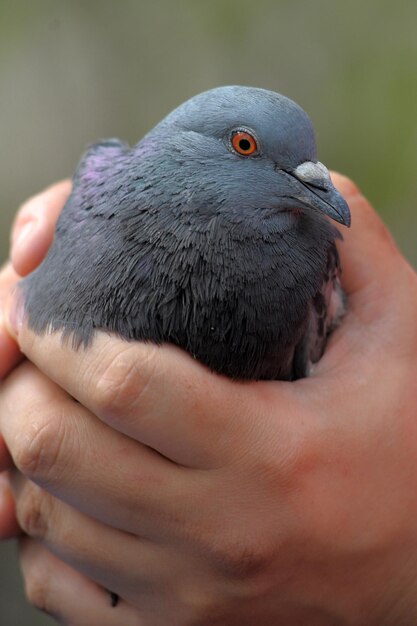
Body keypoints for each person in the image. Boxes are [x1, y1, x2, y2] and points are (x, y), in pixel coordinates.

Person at [0, 174, 416, 626]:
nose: (316, 181)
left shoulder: (308, 255)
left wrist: (398, 584)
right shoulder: (102, 194)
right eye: (242, 143)